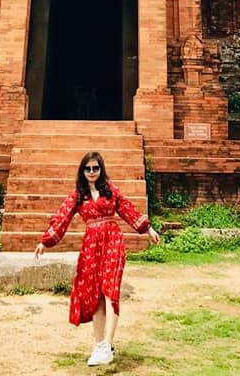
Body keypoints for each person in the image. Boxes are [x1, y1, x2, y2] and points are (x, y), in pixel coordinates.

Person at [34, 149, 160, 366]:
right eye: (88, 168)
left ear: (101, 170)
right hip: (91, 247)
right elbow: (62, 218)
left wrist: (148, 228)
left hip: (112, 242)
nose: (92, 172)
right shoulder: (78, 195)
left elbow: (128, 209)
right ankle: (99, 344)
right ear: (82, 171)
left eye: (96, 168)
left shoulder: (110, 190)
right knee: (96, 295)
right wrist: (46, 242)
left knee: (110, 291)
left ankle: (107, 345)